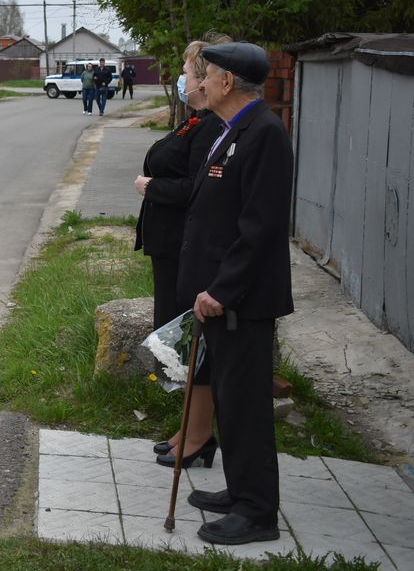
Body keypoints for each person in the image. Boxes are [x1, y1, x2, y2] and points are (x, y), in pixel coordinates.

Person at [181, 41, 293, 546]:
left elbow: (261, 228)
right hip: (222, 297)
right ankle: (241, 489)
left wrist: (221, 290)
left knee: (246, 405)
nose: (200, 82)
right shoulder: (234, 131)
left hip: (241, 301)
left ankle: (257, 512)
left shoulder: (263, 134)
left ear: (227, 83)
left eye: (208, 74)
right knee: (230, 399)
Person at [133, 36, 227, 466]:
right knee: (183, 342)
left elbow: (197, 188)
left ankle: (200, 435)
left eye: (190, 72)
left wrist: (153, 187)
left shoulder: (212, 126)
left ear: (209, 81)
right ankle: (187, 428)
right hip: (170, 247)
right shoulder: (196, 120)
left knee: (192, 343)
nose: (183, 79)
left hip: (184, 249)